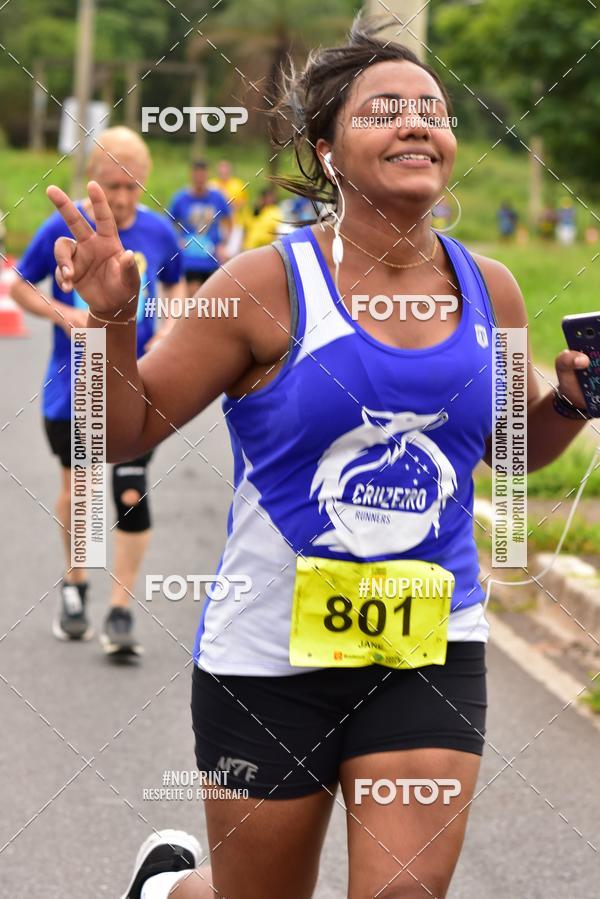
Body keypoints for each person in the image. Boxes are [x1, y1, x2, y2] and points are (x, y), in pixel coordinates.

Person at [46, 20, 592, 899]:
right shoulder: (262, 285)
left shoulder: (492, 289)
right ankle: (170, 890)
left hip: (429, 643)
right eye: (387, 110)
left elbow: (508, 451)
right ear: (326, 149)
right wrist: (111, 320)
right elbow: (122, 433)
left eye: (434, 111)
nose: (418, 124)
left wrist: (566, 399)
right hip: (268, 656)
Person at [12, 126, 183, 658]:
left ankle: (120, 609)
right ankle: (76, 584)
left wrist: (172, 330)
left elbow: (175, 287)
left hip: (139, 383)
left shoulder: (159, 234)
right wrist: (63, 313)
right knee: (80, 493)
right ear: (94, 181)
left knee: (130, 488)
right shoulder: (64, 230)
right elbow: (19, 282)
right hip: (75, 387)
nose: (125, 197)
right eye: (114, 185)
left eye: (133, 185)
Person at [169, 161, 232, 294]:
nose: (199, 180)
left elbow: (228, 221)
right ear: (191, 176)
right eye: (197, 176)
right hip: (191, 257)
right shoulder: (180, 199)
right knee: (195, 301)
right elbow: (169, 223)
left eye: (202, 176)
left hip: (212, 256)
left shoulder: (217, 197)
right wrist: (177, 241)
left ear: (207, 176)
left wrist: (224, 243)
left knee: (212, 302)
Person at [209, 159, 249, 256]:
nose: (223, 171)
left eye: (225, 168)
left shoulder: (237, 185)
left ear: (230, 170)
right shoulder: (211, 184)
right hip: (216, 225)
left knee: (232, 253)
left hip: (235, 223)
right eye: (221, 168)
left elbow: (242, 205)